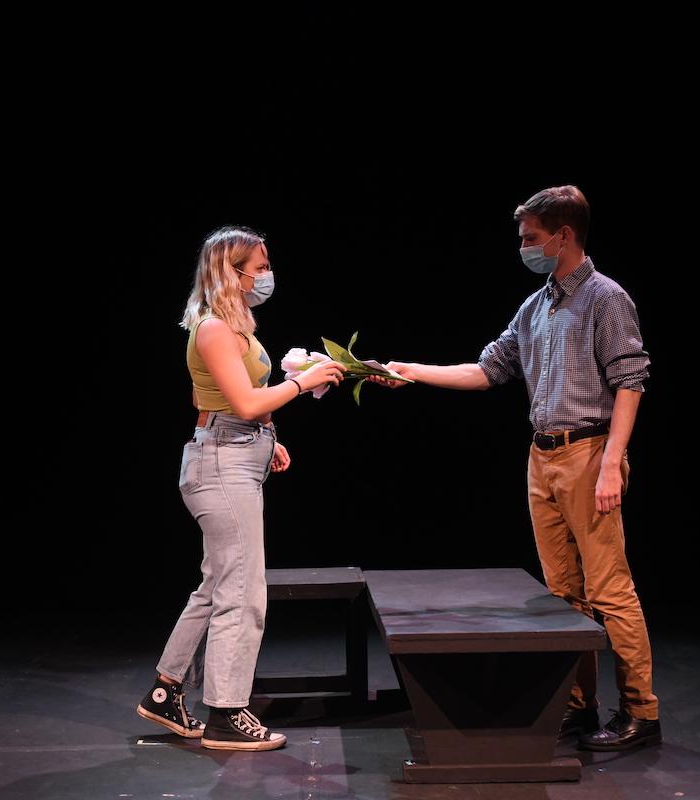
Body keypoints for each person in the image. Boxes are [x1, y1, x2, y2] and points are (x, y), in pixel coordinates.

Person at [372, 186, 661, 752]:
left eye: (531, 237)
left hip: (587, 453)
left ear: (564, 235)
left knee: (610, 589)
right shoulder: (536, 306)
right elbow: (486, 370)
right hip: (542, 456)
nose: (524, 247)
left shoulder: (605, 298)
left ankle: (641, 714)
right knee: (562, 592)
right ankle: (579, 705)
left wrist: (610, 463)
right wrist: (410, 371)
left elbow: (631, 381)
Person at [135, 225, 345, 751]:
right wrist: (306, 382)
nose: (266, 274)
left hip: (236, 453)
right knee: (243, 592)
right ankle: (228, 713)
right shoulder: (212, 329)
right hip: (221, 465)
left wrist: (266, 437)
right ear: (233, 270)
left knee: (215, 585)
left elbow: (238, 402)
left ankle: (165, 691)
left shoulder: (236, 325)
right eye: (260, 264)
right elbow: (247, 403)